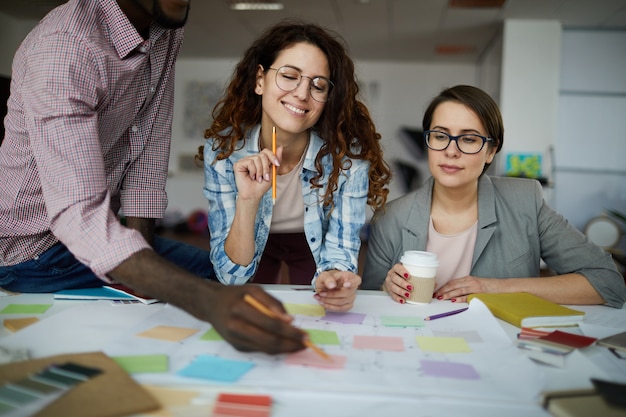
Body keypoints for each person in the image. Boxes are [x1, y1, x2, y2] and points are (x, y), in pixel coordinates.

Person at [0, 0, 309, 354]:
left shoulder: (165, 24)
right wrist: (205, 301)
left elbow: (148, 152)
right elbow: (79, 219)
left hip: (95, 229)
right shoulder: (65, 48)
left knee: (212, 284)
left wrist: (146, 273)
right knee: (211, 291)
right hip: (30, 251)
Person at [361, 85, 626, 308]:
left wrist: (494, 288)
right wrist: (387, 287)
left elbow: (608, 282)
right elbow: (370, 302)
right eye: (441, 136)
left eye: (468, 139)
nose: (451, 151)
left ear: (490, 151)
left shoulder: (525, 202)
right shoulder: (390, 216)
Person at [199, 21, 391, 311]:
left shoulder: (348, 161)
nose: (302, 94)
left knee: (321, 310)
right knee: (248, 306)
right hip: (253, 239)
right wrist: (248, 201)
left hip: (311, 241)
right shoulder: (224, 153)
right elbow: (230, 278)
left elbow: (340, 251)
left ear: (327, 98)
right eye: (289, 76)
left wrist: (335, 279)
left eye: (318, 85)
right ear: (260, 80)